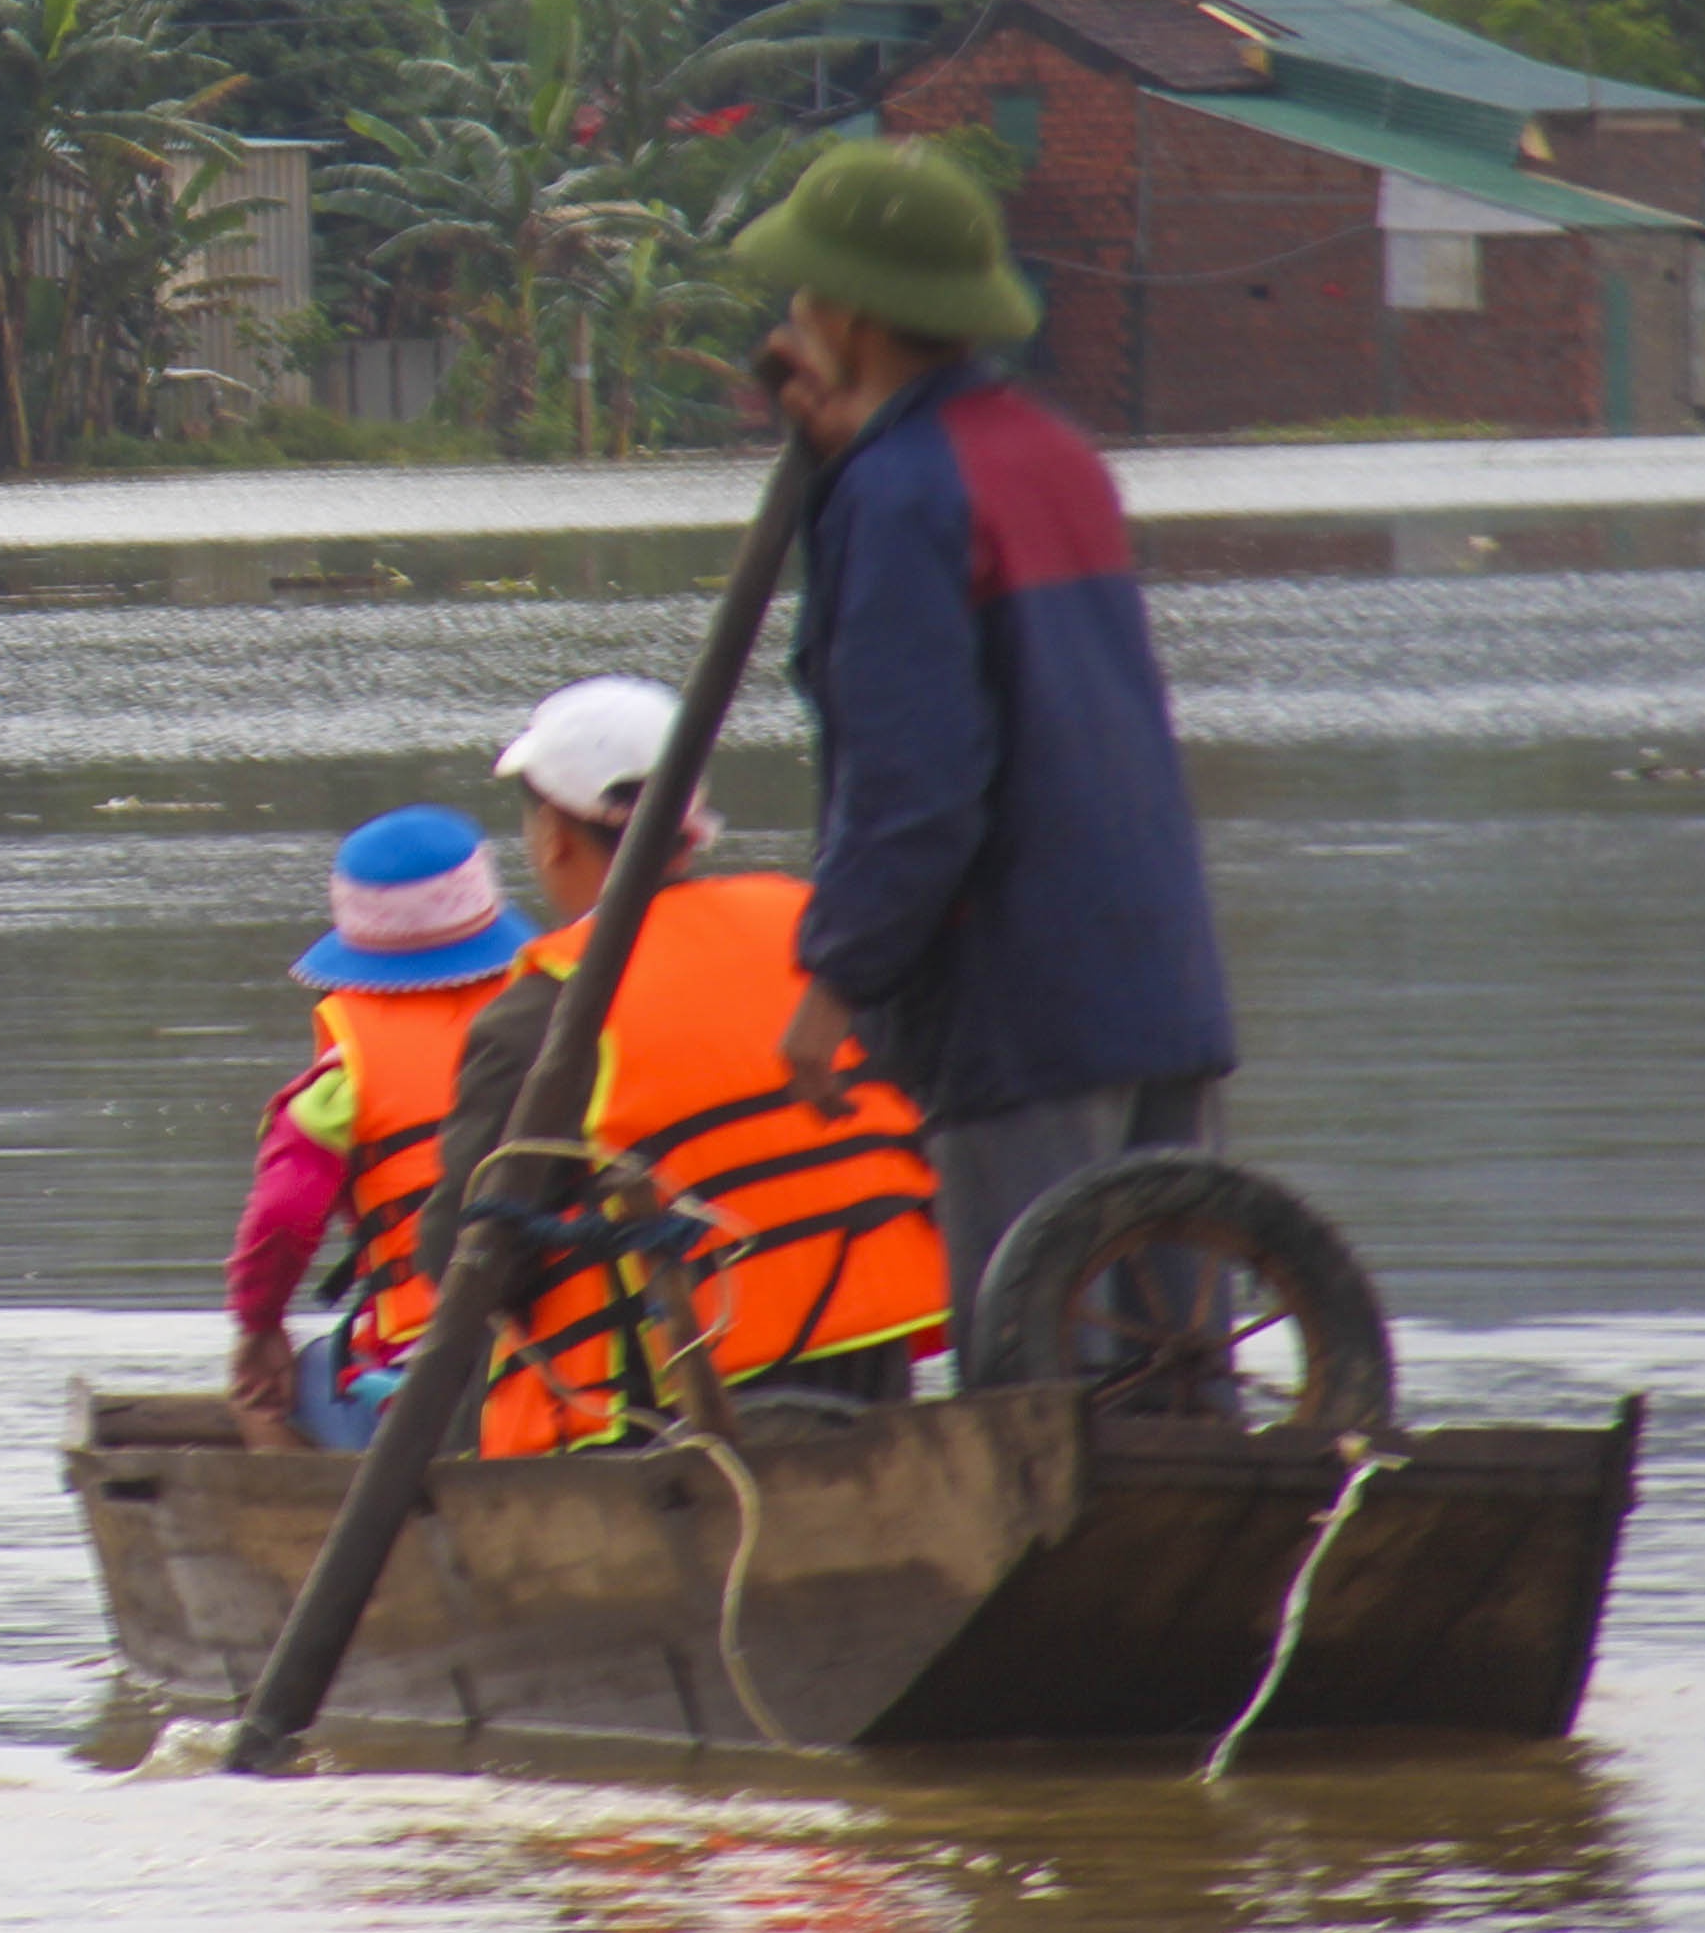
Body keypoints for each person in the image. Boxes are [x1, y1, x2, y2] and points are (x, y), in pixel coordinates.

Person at [732, 141, 1236, 1355]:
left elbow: (916, 786)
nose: (794, 321)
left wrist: (837, 983)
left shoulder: (899, 495)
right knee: (1172, 1385)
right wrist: (849, 448)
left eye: (807, 301)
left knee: (1038, 1382)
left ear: (848, 317)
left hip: (1023, 1003)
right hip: (1159, 976)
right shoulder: (1054, 454)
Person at [412, 675, 949, 1453]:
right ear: (691, 827)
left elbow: (464, 1262)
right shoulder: (815, 935)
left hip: (658, 1415)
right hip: (867, 1372)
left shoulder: (542, 1013)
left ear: (555, 838)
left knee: (459, 1378)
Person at [227, 806, 532, 1450]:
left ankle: (318, 1538)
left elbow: (283, 1215)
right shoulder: (562, 1016)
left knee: (264, 1396)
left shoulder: (342, 1080)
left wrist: (259, 1332)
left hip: (430, 1376)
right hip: (580, 1353)